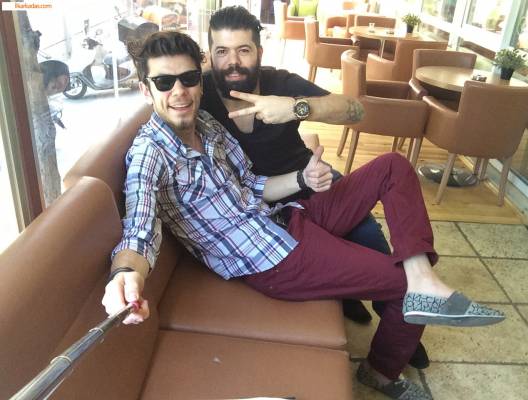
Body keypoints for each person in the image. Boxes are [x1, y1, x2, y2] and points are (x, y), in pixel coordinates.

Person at [102, 31, 505, 400]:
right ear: (145, 89)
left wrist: (302, 178)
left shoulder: (207, 125)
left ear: (200, 81)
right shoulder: (149, 154)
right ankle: (381, 372)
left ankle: (422, 275)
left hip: (287, 216)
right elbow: (139, 228)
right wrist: (126, 275)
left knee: (393, 166)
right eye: (164, 82)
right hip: (274, 260)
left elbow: (252, 185)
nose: (179, 91)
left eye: (188, 78)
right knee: (401, 286)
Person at [200, 6, 434, 367]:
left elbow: (354, 110)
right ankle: (356, 296)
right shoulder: (200, 95)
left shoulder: (280, 83)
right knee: (357, 258)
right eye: (222, 51)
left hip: (313, 183)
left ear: (259, 52)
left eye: (243, 50)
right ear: (210, 54)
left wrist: (296, 108)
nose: (233, 61)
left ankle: (398, 317)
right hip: (269, 205)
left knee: (371, 237)